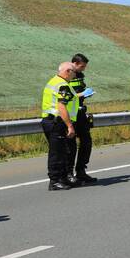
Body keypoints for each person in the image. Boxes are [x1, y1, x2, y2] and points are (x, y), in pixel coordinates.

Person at [41, 62, 79, 191]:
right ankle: (55, 181)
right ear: (68, 71)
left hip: (50, 121)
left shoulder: (54, 81)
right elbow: (61, 106)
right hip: (57, 122)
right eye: (74, 72)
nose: (75, 75)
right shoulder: (63, 85)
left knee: (61, 151)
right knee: (56, 153)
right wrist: (70, 125)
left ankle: (62, 179)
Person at [67, 53, 97, 184]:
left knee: (86, 142)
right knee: (70, 146)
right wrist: (81, 94)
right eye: (82, 66)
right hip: (69, 115)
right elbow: (67, 96)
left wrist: (86, 94)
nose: (83, 69)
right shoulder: (66, 75)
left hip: (80, 113)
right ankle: (68, 173)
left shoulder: (79, 75)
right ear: (74, 63)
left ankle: (81, 171)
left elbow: (78, 92)